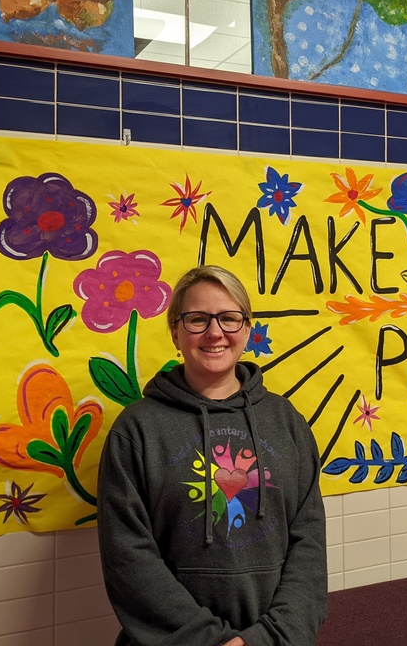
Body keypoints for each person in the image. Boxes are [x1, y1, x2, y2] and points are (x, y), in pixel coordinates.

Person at [97, 265, 328, 646]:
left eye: (229, 318)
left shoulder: (286, 421)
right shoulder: (135, 430)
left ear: (247, 329)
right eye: (198, 319)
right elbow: (129, 560)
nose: (215, 332)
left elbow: (309, 546)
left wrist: (266, 639)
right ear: (175, 331)